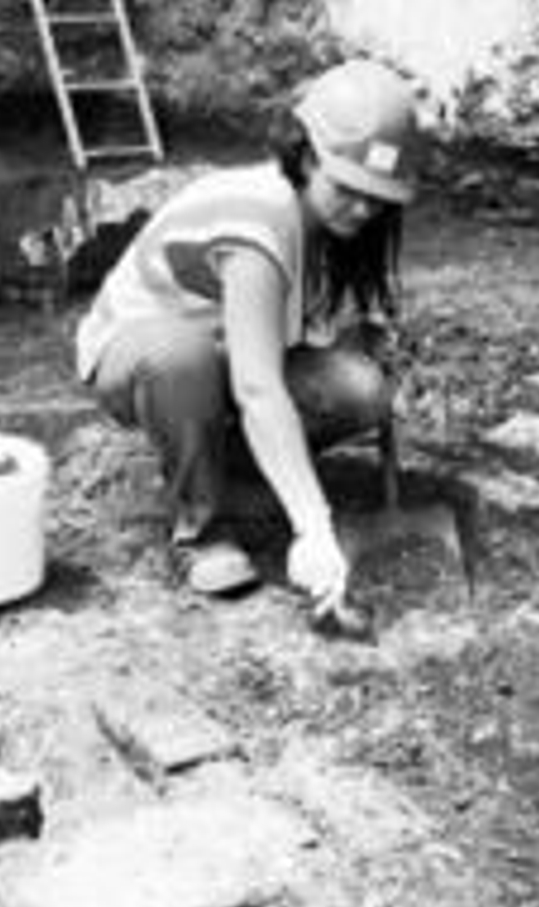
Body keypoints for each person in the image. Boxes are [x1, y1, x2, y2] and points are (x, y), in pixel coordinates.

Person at [75, 58, 423, 616]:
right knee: (179, 357)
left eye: (377, 196)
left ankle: (228, 475)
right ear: (307, 156)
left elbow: (297, 341)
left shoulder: (327, 228)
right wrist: (315, 526)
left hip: (227, 357)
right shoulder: (259, 222)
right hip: (140, 358)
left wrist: (365, 340)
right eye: (348, 188)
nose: (364, 208)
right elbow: (259, 389)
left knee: (360, 387)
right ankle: (201, 527)